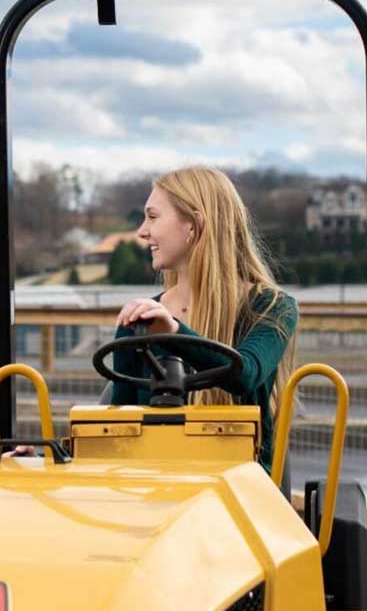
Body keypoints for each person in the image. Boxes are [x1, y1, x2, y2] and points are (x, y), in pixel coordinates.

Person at [109, 166, 297, 476]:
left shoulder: (273, 308)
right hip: (159, 490)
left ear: (194, 224)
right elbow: (116, 429)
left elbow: (244, 374)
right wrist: (43, 457)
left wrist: (174, 332)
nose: (142, 231)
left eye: (153, 217)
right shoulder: (140, 322)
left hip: (240, 494)